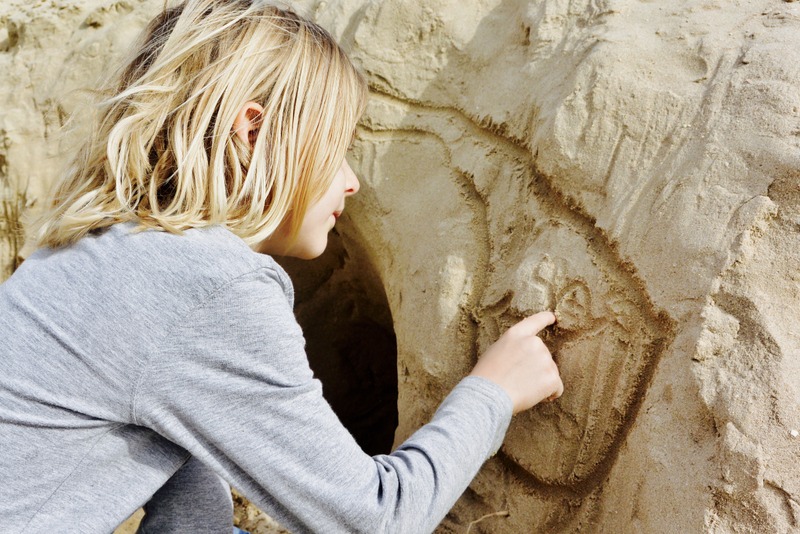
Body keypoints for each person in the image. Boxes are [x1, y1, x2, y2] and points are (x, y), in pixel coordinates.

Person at [0, 1, 563, 533]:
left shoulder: (100, 247)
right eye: (336, 148)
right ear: (253, 132)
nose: (351, 181)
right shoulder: (210, 286)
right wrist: (493, 391)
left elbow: (188, 514)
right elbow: (374, 519)